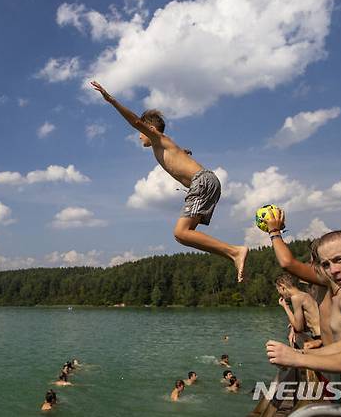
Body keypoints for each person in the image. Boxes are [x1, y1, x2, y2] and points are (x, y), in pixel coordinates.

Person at [90, 81, 248, 282]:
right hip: (204, 183)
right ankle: (232, 254)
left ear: (150, 128)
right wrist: (184, 152)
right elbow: (178, 154)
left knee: (181, 233)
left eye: (142, 132)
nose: (139, 137)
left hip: (202, 182)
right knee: (183, 234)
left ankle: (235, 252)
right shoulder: (164, 143)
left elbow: (136, 122)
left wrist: (111, 100)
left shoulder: (157, 137)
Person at [266, 230, 341, 387]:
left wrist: (298, 360)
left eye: (339, 260)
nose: (333, 270)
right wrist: (297, 353)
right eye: (326, 264)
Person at [266, 209, 341, 346]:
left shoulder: (329, 277)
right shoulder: (328, 286)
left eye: (312, 261)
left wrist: (274, 232)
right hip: (328, 348)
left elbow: (288, 263)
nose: (309, 266)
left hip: (334, 356)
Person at [275, 274, 321, 348]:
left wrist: (285, 307)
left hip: (319, 337)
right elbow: (305, 325)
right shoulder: (304, 295)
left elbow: (299, 328)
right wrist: (293, 326)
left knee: (294, 338)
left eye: (279, 291)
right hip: (321, 336)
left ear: (282, 287)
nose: (280, 295)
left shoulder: (296, 298)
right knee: (294, 333)